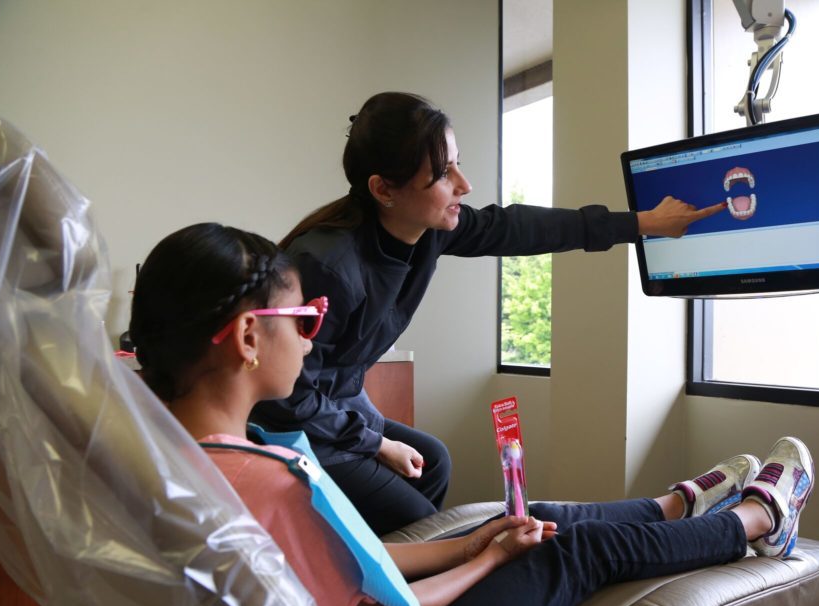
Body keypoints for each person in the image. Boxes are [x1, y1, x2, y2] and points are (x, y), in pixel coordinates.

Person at [129, 222, 815, 606]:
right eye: (304, 321)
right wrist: (488, 558)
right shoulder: (270, 480)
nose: (313, 339)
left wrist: (472, 544)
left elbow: (342, 565)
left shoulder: (168, 462)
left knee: (527, 516)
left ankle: (673, 506)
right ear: (249, 338)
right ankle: (757, 522)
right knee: (573, 550)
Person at [251, 92, 728, 534]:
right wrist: (377, 444)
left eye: (458, 164)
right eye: (442, 175)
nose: (464, 184)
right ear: (384, 189)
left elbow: (521, 228)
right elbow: (285, 398)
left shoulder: (431, 231)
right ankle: (394, 584)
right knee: (418, 520)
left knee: (433, 459)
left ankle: (393, 584)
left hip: (336, 399)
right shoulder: (327, 265)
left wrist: (643, 224)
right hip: (290, 419)